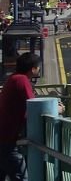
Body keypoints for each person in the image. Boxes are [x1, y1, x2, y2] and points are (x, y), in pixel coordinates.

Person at [0, 52, 41, 181]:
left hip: (4, 137)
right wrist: (57, 109)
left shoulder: (13, 78)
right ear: (33, 69)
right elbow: (34, 105)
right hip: (7, 140)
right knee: (20, 175)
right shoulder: (22, 80)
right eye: (38, 67)